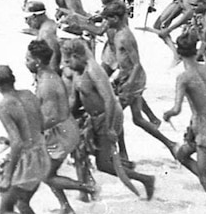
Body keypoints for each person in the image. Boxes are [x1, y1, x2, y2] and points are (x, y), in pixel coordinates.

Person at [61, 39, 156, 199]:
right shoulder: (78, 71)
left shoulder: (93, 70)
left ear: (76, 56)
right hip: (94, 117)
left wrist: (111, 128)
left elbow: (110, 99)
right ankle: (85, 193)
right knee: (83, 153)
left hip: (108, 116)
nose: (67, 65)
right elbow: (75, 99)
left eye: (68, 61)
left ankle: (146, 180)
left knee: (104, 164)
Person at [94, 0, 171, 158]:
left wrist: (128, 83)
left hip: (132, 77)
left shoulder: (124, 36)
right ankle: (169, 143)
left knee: (114, 113)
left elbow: (137, 64)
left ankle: (123, 153)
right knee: (137, 119)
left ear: (115, 18)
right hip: (128, 76)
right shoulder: (118, 24)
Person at [0, 66, 57, 214]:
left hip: (27, 162)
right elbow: (38, 125)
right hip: (43, 155)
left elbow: (17, 142)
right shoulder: (29, 95)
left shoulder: (3, 107)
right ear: (13, 79)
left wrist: (7, 176)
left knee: (5, 211)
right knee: (23, 203)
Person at [26, 40, 96, 214]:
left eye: (28, 59)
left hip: (61, 132)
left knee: (46, 174)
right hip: (63, 129)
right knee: (48, 171)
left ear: (37, 62)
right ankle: (67, 207)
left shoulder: (46, 84)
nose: (25, 62)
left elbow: (52, 117)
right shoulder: (45, 76)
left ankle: (87, 188)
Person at [163, 35, 206, 205]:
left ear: (179, 54)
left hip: (202, 127)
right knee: (182, 155)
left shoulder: (183, 78)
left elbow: (176, 109)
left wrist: (167, 115)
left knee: (205, 179)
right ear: (196, 50)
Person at [23, 1, 61, 73]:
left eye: (27, 19)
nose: (26, 22)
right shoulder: (49, 24)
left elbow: (53, 60)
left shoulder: (46, 33)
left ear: (34, 17)